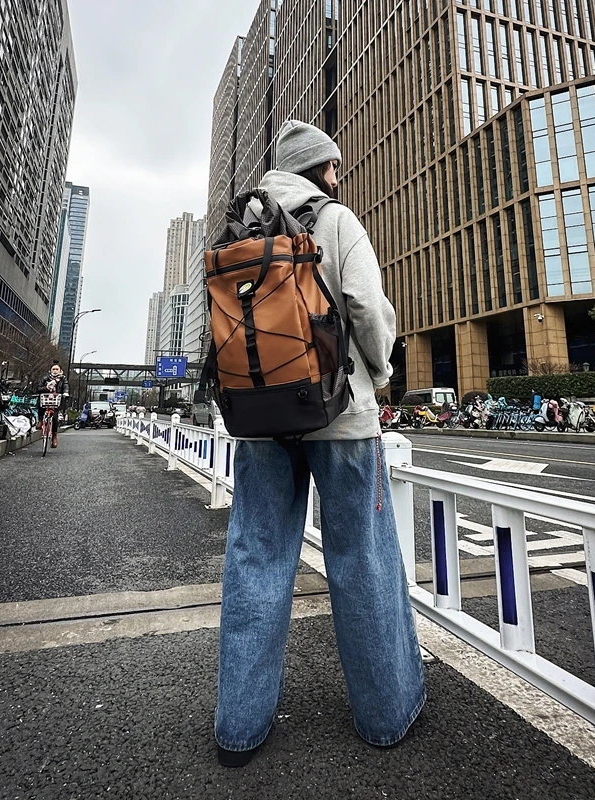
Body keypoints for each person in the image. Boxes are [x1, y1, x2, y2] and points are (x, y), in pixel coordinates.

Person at [215, 120, 425, 767]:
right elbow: (367, 309)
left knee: (256, 559)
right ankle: (386, 714)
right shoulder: (336, 221)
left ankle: (239, 728)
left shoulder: (241, 228)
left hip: (260, 420)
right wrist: (383, 375)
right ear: (320, 169)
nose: (340, 176)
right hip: (340, 418)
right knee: (362, 559)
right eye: (334, 166)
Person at [36, 361, 68, 448]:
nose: (55, 371)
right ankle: (40, 421)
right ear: (50, 370)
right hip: (46, 399)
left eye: (57, 369)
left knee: (54, 418)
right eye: (53, 369)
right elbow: (38, 388)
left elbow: (65, 386)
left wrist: (65, 393)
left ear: (60, 370)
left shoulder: (63, 379)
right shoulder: (45, 378)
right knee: (40, 402)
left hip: (56, 401)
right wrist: (46, 388)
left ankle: (54, 436)